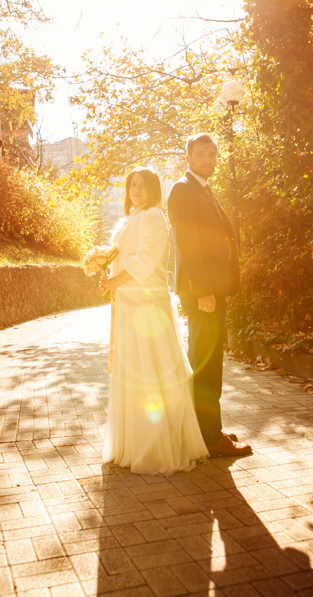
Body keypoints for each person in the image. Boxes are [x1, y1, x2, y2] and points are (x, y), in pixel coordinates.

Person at [99, 167, 209, 475]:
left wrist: (117, 280)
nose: (136, 190)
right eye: (132, 184)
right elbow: (120, 257)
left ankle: (156, 448)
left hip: (147, 307)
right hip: (127, 305)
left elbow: (146, 259)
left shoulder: (154, 218)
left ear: (153, 190)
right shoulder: (128, 220)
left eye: (143, 185)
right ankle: (130, 446)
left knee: (150, 375)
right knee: (130, 374)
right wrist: (108, 278)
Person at [167, 134, 252, 458]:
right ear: (187, 157)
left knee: (207, 360)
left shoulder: (202, 188)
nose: (209, 160)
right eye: (201, 155)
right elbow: (189, 244)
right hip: (202, 293)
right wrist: (203, 291)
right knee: (206, 364)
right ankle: (209, 437)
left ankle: (205, 427)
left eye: (213, 155)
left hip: (213, 291)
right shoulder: (183, 190)